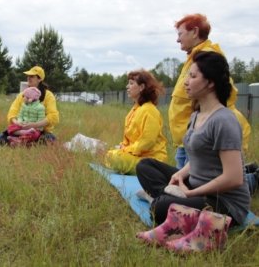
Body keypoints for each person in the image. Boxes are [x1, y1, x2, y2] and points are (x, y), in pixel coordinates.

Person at [136, 52, 250, 233]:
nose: (186, 82)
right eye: (187, 75)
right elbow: (198, 158)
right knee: (145, 166)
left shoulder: (223, 120)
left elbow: (234, 178)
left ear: (210, 82)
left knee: (159, 209)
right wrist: (179, 175)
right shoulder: (196, 115)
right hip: (195, 184)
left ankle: (159, 199)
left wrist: (190, 194)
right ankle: (168, 197)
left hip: (223, 202)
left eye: (193, 76)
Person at [168, 14, 251, 170]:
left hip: (199, 138)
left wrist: (203, 126)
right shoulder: (193, 58)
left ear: (194, 32)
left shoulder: (207, 57)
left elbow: (225, 92)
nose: (178, 40)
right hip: (188, 138)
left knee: (194, 186)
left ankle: (251, 178)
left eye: (180, 34)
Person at [102, 70, 167, 174]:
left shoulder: (150, 110)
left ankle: (150, 172)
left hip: (151, 160)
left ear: (141, 87)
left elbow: (147, 142)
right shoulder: (134, 110)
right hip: (137, 156)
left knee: (115, 158)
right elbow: (127, 139)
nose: (127, 87)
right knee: (110, 154)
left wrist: (126, 150)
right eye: (128, 83)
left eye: (131, 83)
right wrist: (122, 147)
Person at [0, 66, 59, 145]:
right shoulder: (22, 95)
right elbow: (12, 113)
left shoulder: (48, 95)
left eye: (32, 76)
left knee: (49, 139)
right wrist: (18, 123)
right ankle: (26, 143)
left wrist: (34, 125)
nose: (28, 78)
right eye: (28, 76)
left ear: (39, 79)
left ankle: (21, 142)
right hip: (21, 129)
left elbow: (53, 116)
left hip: (40, 131)